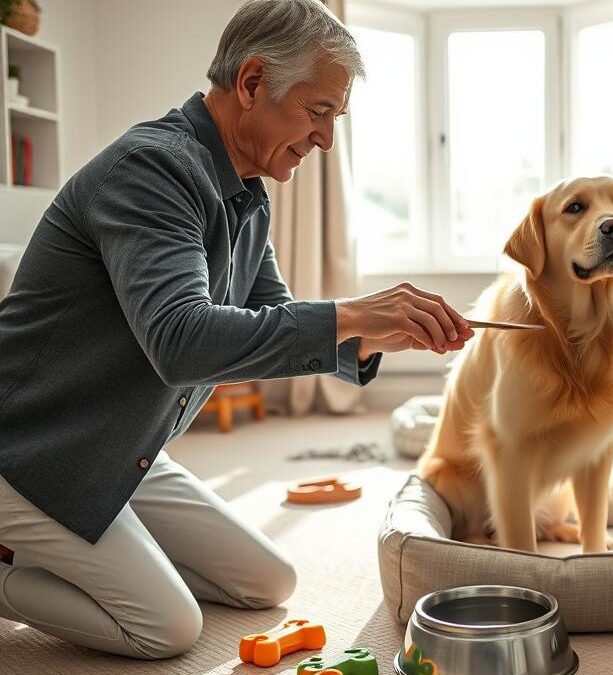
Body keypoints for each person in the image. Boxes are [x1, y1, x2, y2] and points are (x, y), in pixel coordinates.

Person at [0, 0, 472, 659]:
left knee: (266, 581)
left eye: (334, 118)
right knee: (168, 627)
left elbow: (271, 315)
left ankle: (85, 551)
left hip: (120, 447)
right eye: (319, 111)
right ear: (252, 83)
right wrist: (353, 314)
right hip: (32, 450)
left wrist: (375, 334)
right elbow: (182, 341)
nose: (326, 140)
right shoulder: (152, 169)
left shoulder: (247, 192)